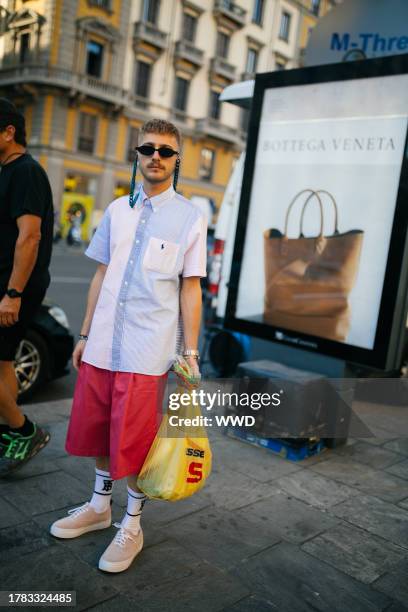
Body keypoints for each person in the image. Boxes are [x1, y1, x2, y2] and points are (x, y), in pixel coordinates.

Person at [50, 119, 207, 573]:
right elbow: (101, 274)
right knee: (99, 428)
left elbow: (190, 288)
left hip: (148, 351)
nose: (155, 156)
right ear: (136, 155)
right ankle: (100, 507)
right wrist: (83, 335)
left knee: (137, 440)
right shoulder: (117, 210)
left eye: (165, 150)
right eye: (147, 148)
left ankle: (132, 524)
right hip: (102, 346)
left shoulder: (189, 217)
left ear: (177, 161)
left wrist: (191, 353)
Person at [0, 99, 53, 477]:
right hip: (4, 284)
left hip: (13, 287)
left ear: (8, 132)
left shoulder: (26, 172)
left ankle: (26, 431)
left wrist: (13, 293)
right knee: (2, 362)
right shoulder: (5, 171)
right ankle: (11, 431)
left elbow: (30, 237)